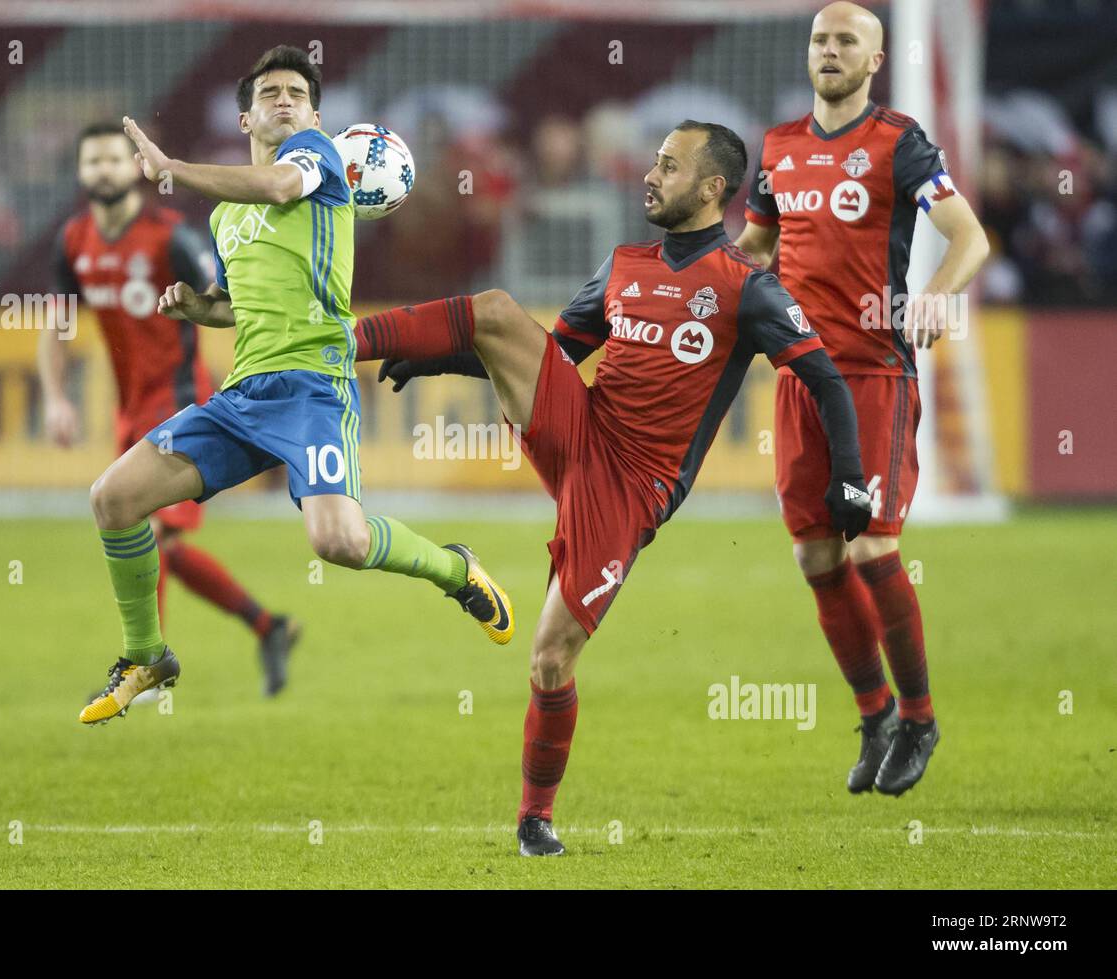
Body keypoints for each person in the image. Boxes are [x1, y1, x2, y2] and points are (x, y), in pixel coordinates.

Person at [359, 121, 872, 855]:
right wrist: (442, 361)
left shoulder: (748, 290)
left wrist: (850, 479)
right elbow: (555, 355)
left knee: (548, 658)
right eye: (654, 163)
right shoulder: (624, 265)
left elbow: (824, 377)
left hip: (634, 485)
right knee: (500, 311)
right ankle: (352, 340)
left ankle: (535, 816)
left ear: (712, 189)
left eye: (668, 165)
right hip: (581, 430)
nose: (649, 175)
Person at [78, 45, 513, 726]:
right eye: (270, 94)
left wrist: (169, 169)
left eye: (297, 93)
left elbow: (281, 187)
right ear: (246, 118)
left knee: (337, 542)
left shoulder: (318, 160)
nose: (284, 101)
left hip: (312, 387)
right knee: (113, 497)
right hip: (243, 396)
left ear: (315, 116)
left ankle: (454, 569)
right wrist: (203, 309)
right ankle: (147, 655)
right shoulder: (224, 218)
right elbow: (237, 303)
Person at [734, 1, 990, 795]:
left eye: (848, 40)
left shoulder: (898, 142)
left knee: (873, 545)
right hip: (800, 379)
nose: (831, 50)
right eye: (821, 39)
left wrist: (939, 294)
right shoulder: (777, 148)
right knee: (816, 555)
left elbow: (970, 237)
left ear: (876, 60)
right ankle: (875, 711)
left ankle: (919, 715)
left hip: (874, 373)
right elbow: (757, 247)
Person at [40, 122, 300, 700]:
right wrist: (56, 398)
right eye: (93, 161)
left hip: (181, 399)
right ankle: (269, 626)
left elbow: (230, 300)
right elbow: (56, 326)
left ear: (134, 167)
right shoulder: (74, 240)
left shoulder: (170, 235)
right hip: (130, 408)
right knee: (164, 547)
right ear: (81, 173)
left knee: (147, 527)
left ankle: (148, 665)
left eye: (114, 158)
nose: (104, 169)